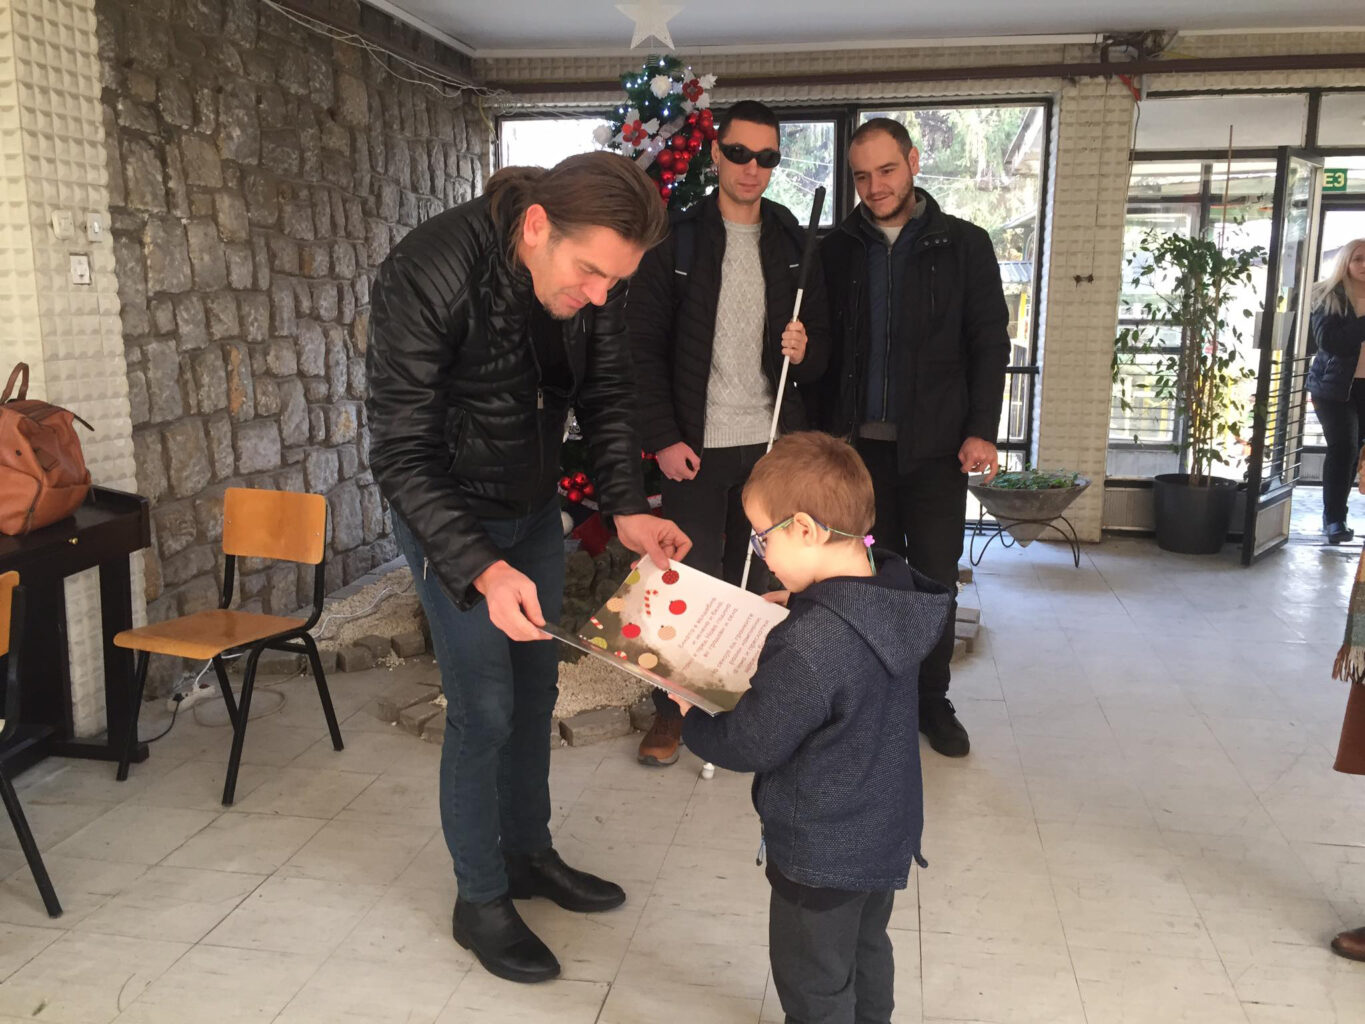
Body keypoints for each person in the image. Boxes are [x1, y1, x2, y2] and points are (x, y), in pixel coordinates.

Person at [366, 152, 691, 984]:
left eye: (615, 282)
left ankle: (527, 856)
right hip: (449, 515)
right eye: (589, 274)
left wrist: (626, 508)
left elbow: (608, 396)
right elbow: (399, 452)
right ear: (537, 226)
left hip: (532, 506)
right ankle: (479, 899)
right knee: (483, 708)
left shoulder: (595, 279)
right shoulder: (430, 268)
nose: (600, 297)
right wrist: (480, 567)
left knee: (536, 691)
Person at [671, 431, 951, 1023]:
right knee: (866, 948)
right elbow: (847, 645)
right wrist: (803, 603)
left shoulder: (812, 642)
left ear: (804, 529)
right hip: (885, 830)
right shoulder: (891, 588)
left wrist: (692, 717)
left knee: (813, 983)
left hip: (822, 848)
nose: (761, 555)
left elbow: (752, 741)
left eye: (762, 537)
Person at [628, 99, 830, 768]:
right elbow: (641, 347)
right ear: (715, 153)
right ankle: (672, 712)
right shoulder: (677, 238)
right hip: (694, 445)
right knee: (685, 579)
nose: (752, 168)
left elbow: (824, 353)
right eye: (739, 153)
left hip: (770, 445)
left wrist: (807, 350)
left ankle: (754, 711)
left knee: (765, 582)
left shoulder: (794, 242)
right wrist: (662, 437)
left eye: (767, 158)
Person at [812, 117, 1010, 758]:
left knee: (932, 583)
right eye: (861, 176)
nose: (875, 186)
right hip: (858, 454)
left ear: (914, 162)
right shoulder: (836, 249)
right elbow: (822, 349)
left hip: (935, 451)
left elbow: (989, 344)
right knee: (867, 578)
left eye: (887, 170)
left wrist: (981, 430)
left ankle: (931, 700)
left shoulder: (965, 244)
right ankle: (873, 698)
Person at [1305, 237, 1365, 544]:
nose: (1364, 265)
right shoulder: (1328, 295)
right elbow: (1330, 342)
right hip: (1333, 387)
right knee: (1344, 449)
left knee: (1356, 454)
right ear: (1345, 262)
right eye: (1358, 259)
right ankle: (1334, 520)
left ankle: (1337, 514)